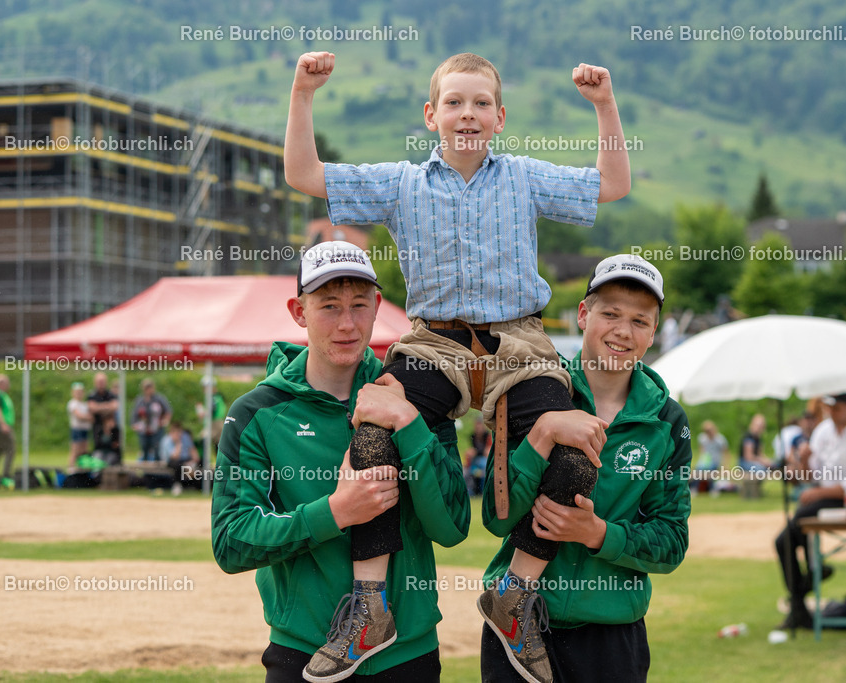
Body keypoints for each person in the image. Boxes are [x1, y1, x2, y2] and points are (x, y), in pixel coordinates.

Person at [285, 51, 630, 682]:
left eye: (479, 104)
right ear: (430, 115)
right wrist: (303, 92)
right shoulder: (400, 183)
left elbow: (612, 187)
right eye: (453, 102)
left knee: (576, 448)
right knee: (373, 429)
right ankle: (370, 605)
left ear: (500, 117)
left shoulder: (523, 177)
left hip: (520, 344)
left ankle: (515, 591)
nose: (466, 113)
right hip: (433, 344)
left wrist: (605, 107)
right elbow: (304, 173)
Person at [210, 242, 469, 682]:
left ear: (377, 307)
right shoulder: (257, 412)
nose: (347, 323)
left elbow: (452, 526)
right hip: (304, 653)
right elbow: (232, 542)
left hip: (408, 655)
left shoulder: (416, 397)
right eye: (329, 306)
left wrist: (407, 423)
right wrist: (334, 513)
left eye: (358, 305)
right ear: (299, 311)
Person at [479, 255, 691, 683]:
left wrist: (598, 534)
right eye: (610, 313)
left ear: (653, 332)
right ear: (583, 314)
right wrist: (540, 435)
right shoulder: (536, 391)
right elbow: (496, 516)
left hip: (612, 638)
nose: (622, 331)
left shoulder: (667, 421)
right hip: (515, 626)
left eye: (639, 320)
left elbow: (672, 541)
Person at [774, 393, 846, 629]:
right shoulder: (824, 431)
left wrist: (818, 493)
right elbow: (808, 477)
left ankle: (804, 591)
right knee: (782, 541)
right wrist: (802, 461)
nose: (831, 414)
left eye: (835, 408)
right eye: (829, 409)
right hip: (820, 500)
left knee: (801, 517)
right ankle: (804, 592)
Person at [131, 378, 172, 462]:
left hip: (157, 429)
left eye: (150, 387)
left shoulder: (159, 399)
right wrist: (134, 424)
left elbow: (168, 411)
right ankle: (146, 471)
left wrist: (165, 421)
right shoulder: (140, 400)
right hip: (143, 430)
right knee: (144, 449)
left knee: (157, 450)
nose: (148, 390)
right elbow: (134, 414)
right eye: (146, 388)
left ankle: (158, 472)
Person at [159, 419, 197, 496]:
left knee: (201, 463)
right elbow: (174, 456)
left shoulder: (185, 437)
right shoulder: (167, 440)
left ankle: (196, 485)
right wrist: (178, 443)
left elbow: (193, 452)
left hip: (185, 461)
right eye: (177, 432)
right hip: (171, 461)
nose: (179, 434)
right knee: (178, 465)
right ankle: (177, 485)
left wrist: (193, 461)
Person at [692, 420, 729, 494]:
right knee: (697, 470)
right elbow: (702, 450)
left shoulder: (720, 439)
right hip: (705, 461)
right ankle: (694, 488)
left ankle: (712, 488)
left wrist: (725, 465)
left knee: (710, 470)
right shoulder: (702, 438)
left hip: (715, 461)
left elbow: (726, 452)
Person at [87, 372, 119, 455]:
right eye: (99, 382)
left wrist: (99, 407)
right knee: (98, 449)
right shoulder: (92, 394)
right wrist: (107, 406)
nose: (101, 384)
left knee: (113, 448)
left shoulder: (110, 394)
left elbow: (115, 406)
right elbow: (92, 408)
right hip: (98, 427)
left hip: (110, 427)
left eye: (102, 381)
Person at [67, 381, 92, 467]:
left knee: (84, 451)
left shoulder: (84, 404)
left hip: (84, 429)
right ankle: (71, 468)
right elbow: (79, 415)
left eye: (81, 392)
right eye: (77, 392)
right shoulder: (72, 403)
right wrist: (88, 418)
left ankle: (81, 468)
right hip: (77, 430)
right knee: (75, 450)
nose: (79, 394)